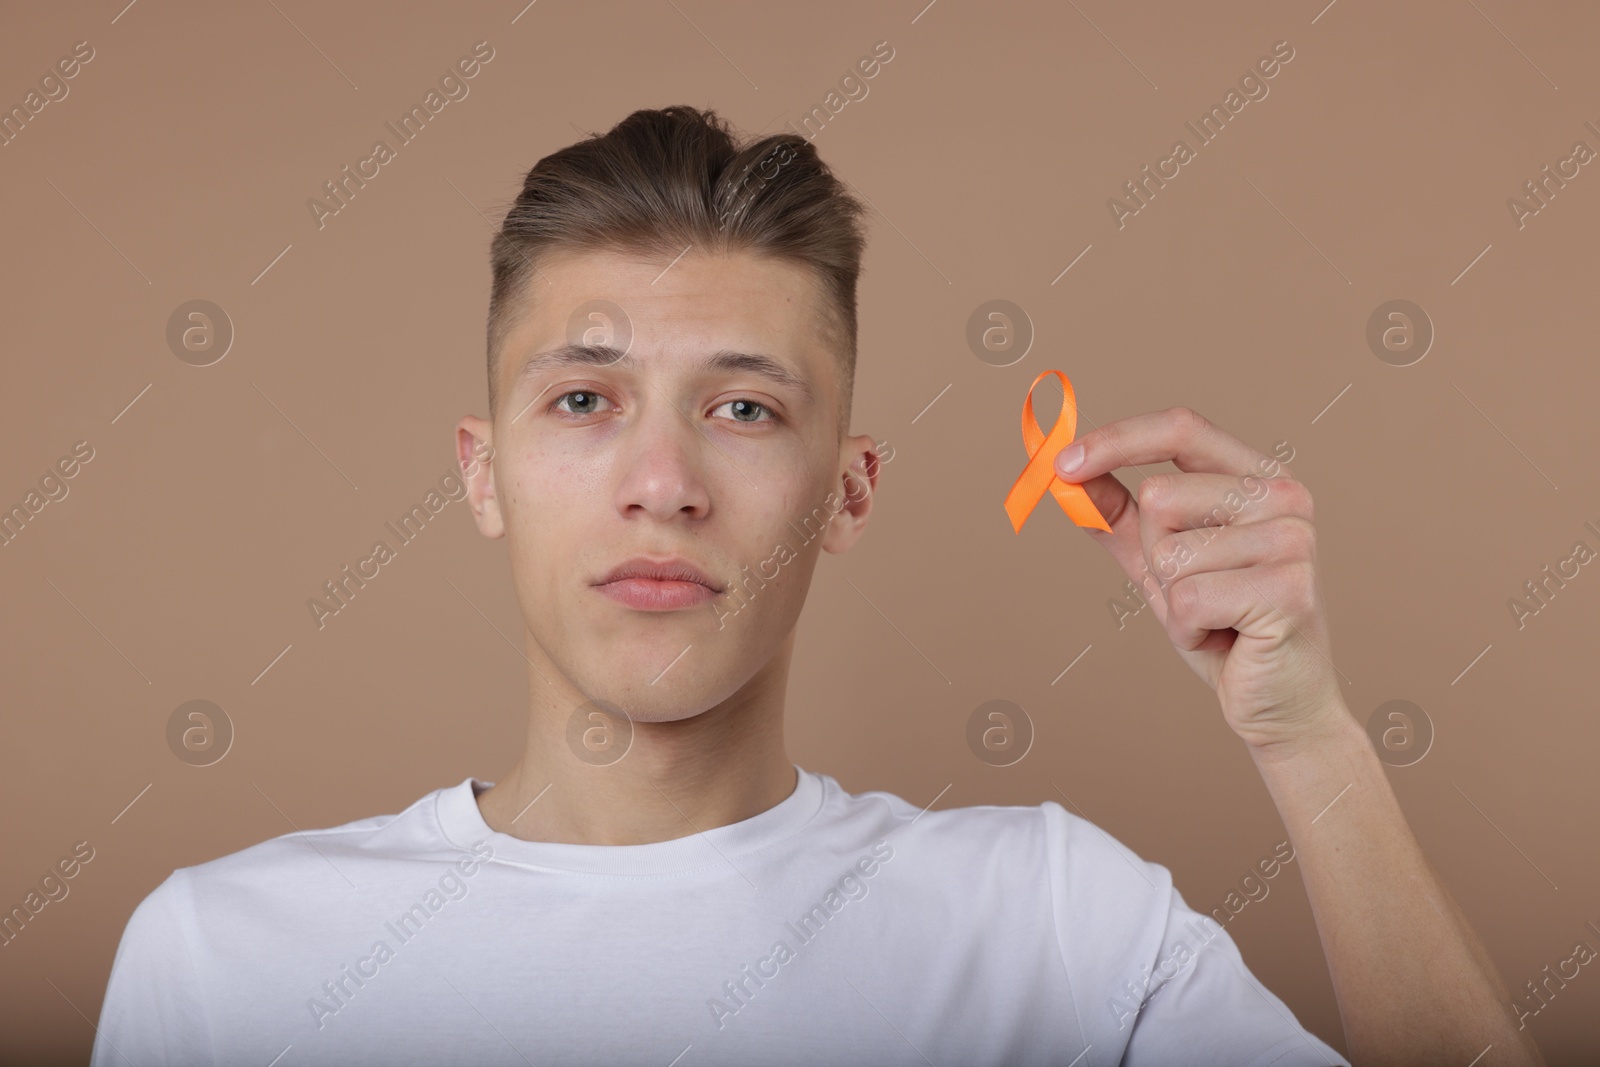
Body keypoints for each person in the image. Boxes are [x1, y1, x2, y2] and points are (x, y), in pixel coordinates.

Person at [91, 106, 1544, 1066]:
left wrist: (1314, 745)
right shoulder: (226, 967)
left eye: (743, 410)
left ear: (847, 491)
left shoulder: (1053, 925)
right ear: (483, 473)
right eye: (586, 402)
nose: (662, 482)